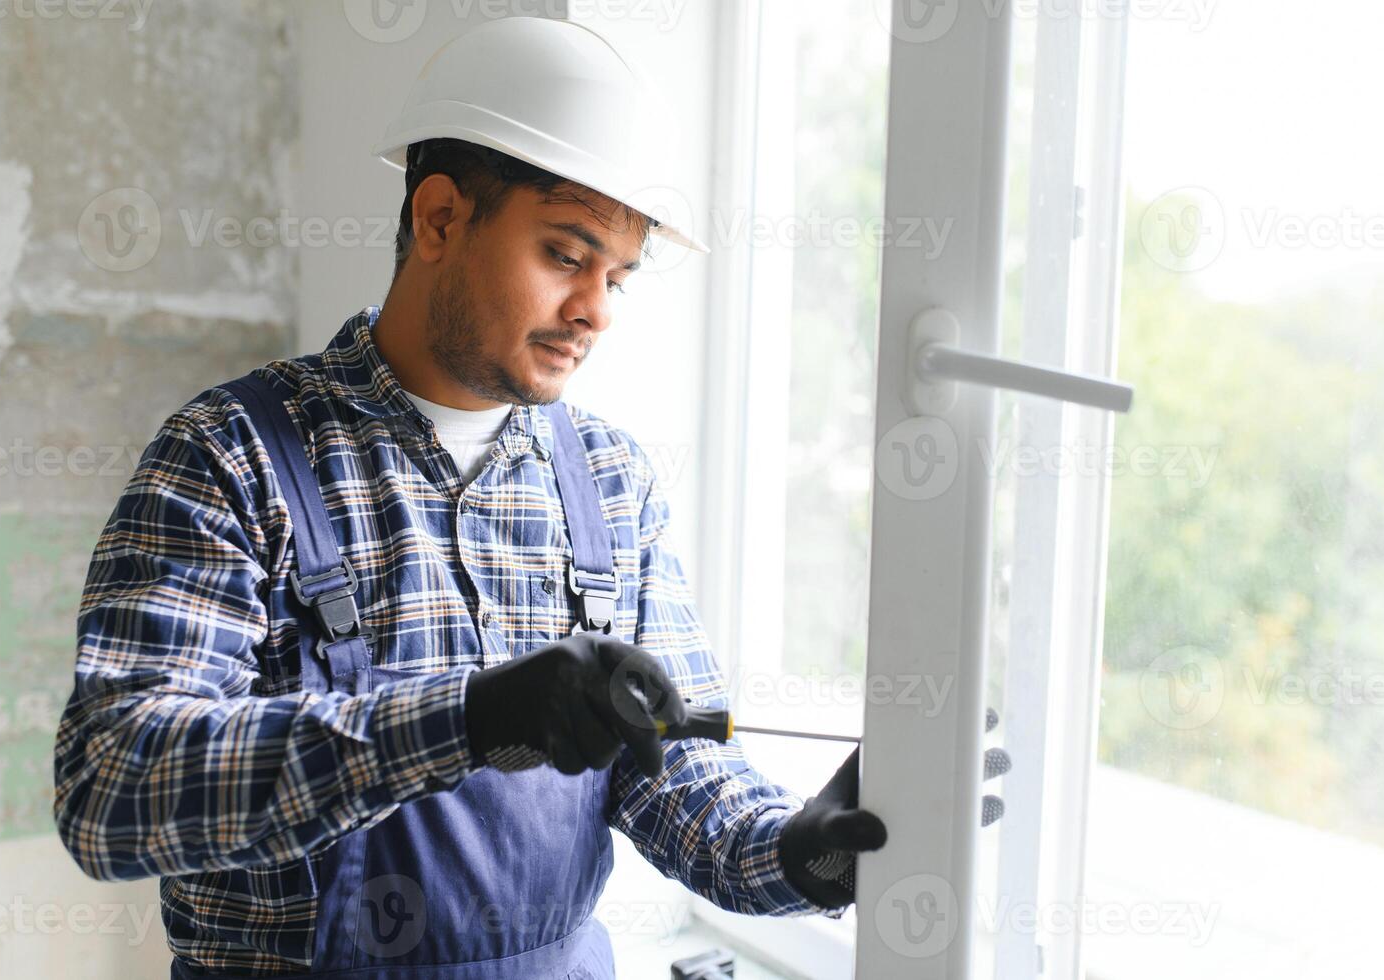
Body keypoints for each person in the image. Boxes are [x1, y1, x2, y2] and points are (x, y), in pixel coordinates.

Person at [52, 17, 1006, 978]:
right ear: (438, 219)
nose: (594, 309)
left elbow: (674, 777)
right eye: (564, 255)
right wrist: (467, 720)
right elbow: (111, 790)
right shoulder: (231, 454)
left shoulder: (609, 481)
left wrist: (802, 852)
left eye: (617, 278)